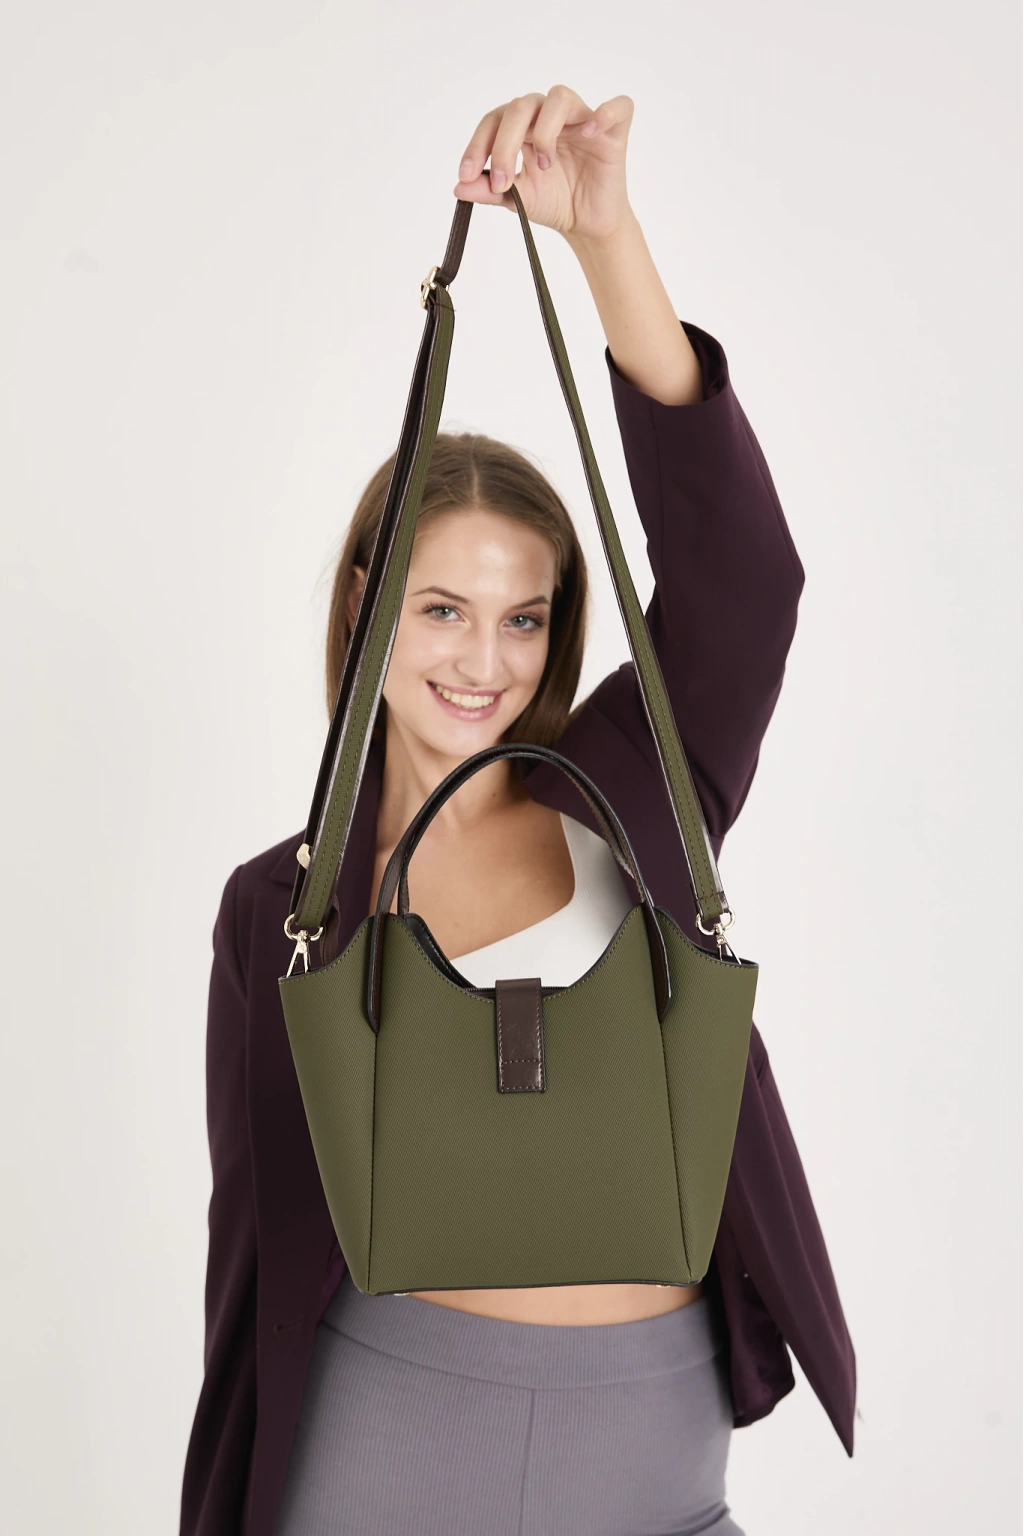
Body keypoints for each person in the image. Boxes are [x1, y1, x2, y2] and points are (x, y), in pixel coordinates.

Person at [180, 87, 856, 1536]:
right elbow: (255, 1252)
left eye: (525, 618)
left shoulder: (635, 788)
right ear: (366, 602)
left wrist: (604, 238)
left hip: (652, 1452)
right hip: (385, 1446)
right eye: (440, 608)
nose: (482, 661)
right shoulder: (281, 908)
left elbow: (746, 578)